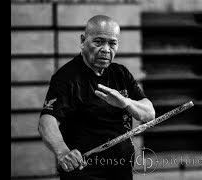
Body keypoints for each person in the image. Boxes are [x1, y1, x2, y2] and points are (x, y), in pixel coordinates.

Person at [38, 15, 155, 180]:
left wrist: (125, 103)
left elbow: (149, 114)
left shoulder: (120, 73)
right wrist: (63, 151)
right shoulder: (67, 77)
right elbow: (46, 121)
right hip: (84, 170)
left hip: (121, 167)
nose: (106, 49)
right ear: (83, 40)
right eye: (98, 42)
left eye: (112, 43)